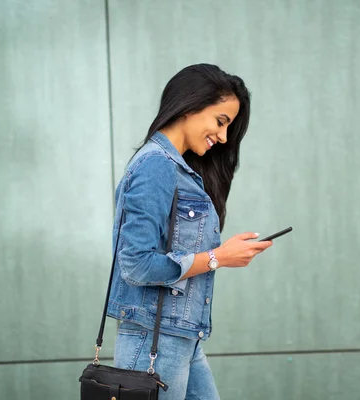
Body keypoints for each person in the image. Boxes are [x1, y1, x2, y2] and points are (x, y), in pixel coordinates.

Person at [107, 63, 272, 400]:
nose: (224, 137)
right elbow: (136, 265)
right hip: (153, 341)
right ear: (190, 104)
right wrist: (218, 258)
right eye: (221, 121)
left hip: (181, 338)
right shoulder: (156, 165)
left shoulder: (179, 169)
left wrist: (221, 256)